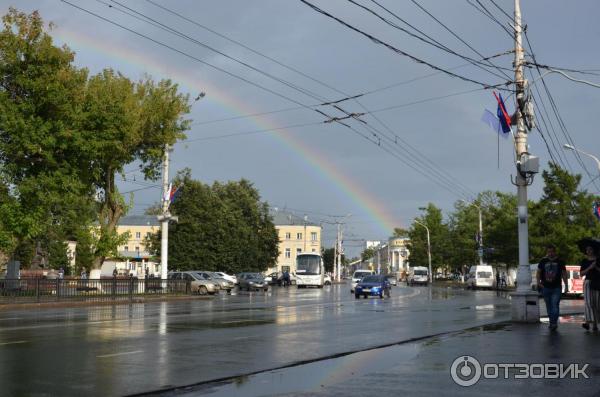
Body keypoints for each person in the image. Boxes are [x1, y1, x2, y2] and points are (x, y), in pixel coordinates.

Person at [537, 244, 568, 330]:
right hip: (545, 287)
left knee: (555, 305)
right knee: (549, 306)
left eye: (552, 251)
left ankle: (554, 323)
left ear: (555, 252)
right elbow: (538, 272)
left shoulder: (560, 261)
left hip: (556, 287)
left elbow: (564, 274)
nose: (550, 253)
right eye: (548, 252)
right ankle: (552, 322)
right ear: (547, 252)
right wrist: (538, 282)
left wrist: (566, 286)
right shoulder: (543, 261)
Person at [580, 244, 600, 331]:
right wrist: (590, 267)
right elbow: (581, 274)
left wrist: (596, 267)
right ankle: (588, 321)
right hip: (588, 282)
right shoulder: (584, 261)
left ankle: (594, 324)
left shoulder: (599, 260)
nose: (588, 251)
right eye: (587, 250)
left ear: (593, 250)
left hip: (598, 283)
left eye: (590, 249)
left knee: (597, 304)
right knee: (588, 302)